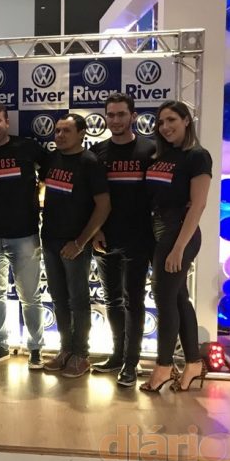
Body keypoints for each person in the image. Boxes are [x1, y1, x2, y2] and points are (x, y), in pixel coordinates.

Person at [140, 100, 212, 393]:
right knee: (179, 298)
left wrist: (179, 247)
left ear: (186, 120)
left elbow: (199, 204)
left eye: (171, 120)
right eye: (160, 122)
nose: (165, 127)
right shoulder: (163, 155)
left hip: (179, 233)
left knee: (164, 299)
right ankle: (193, 363)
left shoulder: (198, 156)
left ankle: (163, 367)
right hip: (158, 231)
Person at [0, 102, 48, 369]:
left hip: (24, 234)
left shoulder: (26, 147)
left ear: (7, 122)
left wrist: (39, 195)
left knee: (30, 296)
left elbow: (55, 170)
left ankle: (36, 348)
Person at [90, 93, 155, 387]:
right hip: (105, 238)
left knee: (134, 301)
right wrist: (96, 230)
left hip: (139, 239)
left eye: (121, 114)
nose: (115, 120)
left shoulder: (150, 149)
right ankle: (117, 355)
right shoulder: (98, 151)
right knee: (112, 300)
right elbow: (91, 199)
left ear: (133, 116)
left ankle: (131, 361)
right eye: (111, 114)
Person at [41, 114, 110, 378]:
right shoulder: (52, 159)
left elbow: (104, 205)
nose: (59, 135)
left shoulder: (90, 162)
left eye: (66, 131)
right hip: (50, 239)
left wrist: (81, 242)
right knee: (59, 299)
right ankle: (66, 350)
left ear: (81, 133)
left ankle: (81, 354)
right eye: (57, 131)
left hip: (75, 243)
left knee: (78, 301)